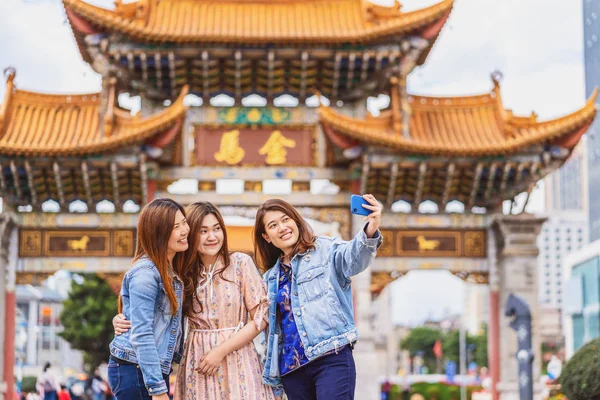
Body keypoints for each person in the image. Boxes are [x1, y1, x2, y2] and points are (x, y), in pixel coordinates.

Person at [114, 202, 277, 400]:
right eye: (203, 231)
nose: (212, 237)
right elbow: (156, 313)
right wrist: (124, 320)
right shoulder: (181, 271)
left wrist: (220, 351)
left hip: (237, 357)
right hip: (196, 361)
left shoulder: (241, 263)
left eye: (217, 229)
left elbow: (261, 317)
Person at [254, 195, 382, 400]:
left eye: (286, 219)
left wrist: (370, 228)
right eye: (273, 225)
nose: (282, 227)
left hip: (331, 357)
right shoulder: (269, 278)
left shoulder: (324, 249)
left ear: (296, 221)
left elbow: (353, 259)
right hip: (292, 369)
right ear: (267, 236)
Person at [107, 198, 190, 400]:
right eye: (175, 227)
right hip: (135, 369)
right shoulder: (146, 273)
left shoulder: (171, 270)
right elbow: (142, 333)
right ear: (158, 233)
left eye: (184, 222)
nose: (184, 230)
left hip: (144, 367)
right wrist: (158, 390)